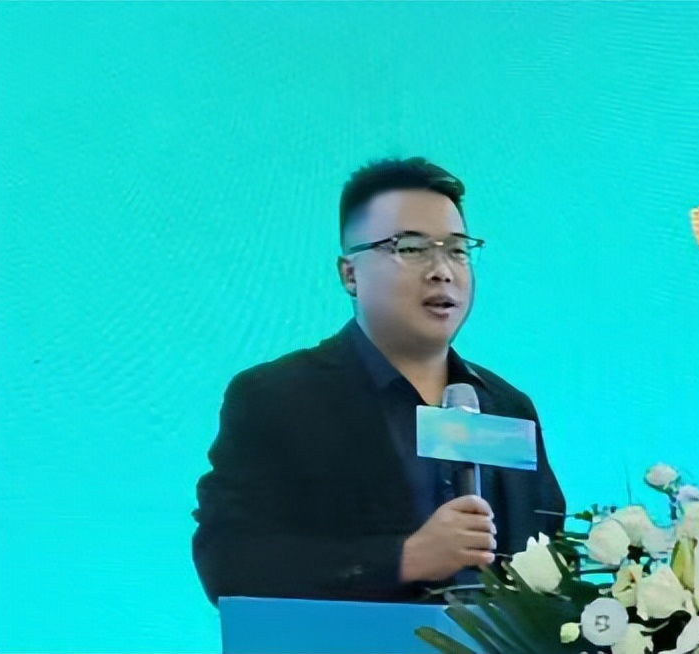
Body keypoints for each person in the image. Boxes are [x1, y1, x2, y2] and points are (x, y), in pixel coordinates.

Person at [192, 157, 566, 605]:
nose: (442, 270)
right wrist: (404, 558)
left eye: (457, 250)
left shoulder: (508, 407)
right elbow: (229, 562)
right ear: (350, 274)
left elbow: (553, 557)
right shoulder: (278, 399)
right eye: (410, 248)